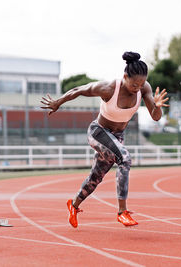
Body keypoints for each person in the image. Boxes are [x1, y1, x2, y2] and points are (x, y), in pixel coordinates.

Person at [40, 51, 169, 227]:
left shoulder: (144, 88)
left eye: (141, 84)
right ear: (125, 76)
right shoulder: (109, 88)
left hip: (116, 137)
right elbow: (80, 89)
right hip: (98, 132)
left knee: (96, 177)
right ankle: (122, 212)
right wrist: (58, 102)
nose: (137, 88)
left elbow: (155, 116)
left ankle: (74, 205)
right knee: (125, 158)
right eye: (134, 84)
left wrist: (158, 107)